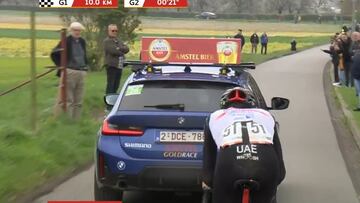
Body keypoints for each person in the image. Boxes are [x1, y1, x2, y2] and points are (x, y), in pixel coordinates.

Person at [202, 87, 286, 203]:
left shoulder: (214, 117)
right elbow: (280, 170)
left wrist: (209, 182)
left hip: (229, 166)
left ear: (223, 105)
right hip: (265, 166)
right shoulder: (266, 115)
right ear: (252, 104)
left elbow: (208, 162)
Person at [53, 22, 88, 120]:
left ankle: (76, 120)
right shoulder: (66, 41)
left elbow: (84, 55)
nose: (77, 32)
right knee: (68, 99)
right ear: (71, 30)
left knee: (79, 99)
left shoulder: (82, 41)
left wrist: (86, 67)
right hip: (70, 71)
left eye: (79, 30)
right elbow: (54, 53)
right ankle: (68, 120)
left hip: (81, 71)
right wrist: (62, 66)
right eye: (75, 30)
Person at [103, 24, 129, 94]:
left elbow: (127, 49)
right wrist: (121, 49)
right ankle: (108, 101)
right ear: (108, 31)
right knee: (111, 84)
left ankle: (113, 100)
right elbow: (114, 51)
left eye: (116, 30)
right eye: (113, 30)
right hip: (112, 65)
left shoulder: (118, 40)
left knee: (116, 85)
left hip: (119, 66)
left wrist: (119, 48)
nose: (114, 32)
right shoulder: (107, 41)